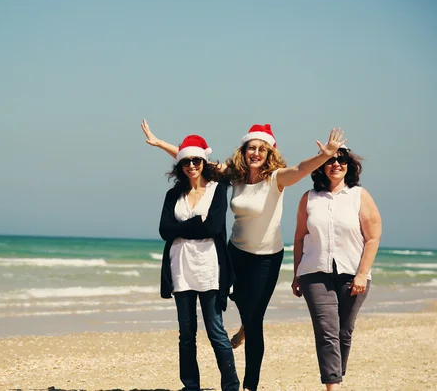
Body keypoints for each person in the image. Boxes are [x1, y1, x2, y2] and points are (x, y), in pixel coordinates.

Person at [142, 119, 346, 391]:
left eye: (262, 149)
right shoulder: (234, 176)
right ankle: (242, 329)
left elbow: (300, 169)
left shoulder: (277, 178)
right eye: (252, 148)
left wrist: (325, 155)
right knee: (241, 307)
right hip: (234, 253)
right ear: (244, 150)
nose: (256, 153)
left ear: (269, 153)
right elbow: (195, 160)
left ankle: (249, 385)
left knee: (254, 319)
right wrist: (160, 144)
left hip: (266, 258)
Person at [291, 146, 381, 390]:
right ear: (321, 166)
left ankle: (336, 375)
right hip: (314, 273)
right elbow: (300, 238)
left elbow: (373, 237)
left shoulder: (359, 196)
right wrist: (296, 274)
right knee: (326, 331)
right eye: (330, 160)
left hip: (353, 273)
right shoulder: (308, 198)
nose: (336, 164)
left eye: (341, 160)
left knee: (344, 331)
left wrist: (362, 273)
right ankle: (333, 385)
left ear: (349, 165)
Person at [157, 134, 240, 391]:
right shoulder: (174, 194)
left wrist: (181, 227)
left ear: (203, 161)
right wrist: (196, 224)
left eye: (196, 160)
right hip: (180, 267)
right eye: (186, 162)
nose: (191, 166)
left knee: (215, 330)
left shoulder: (218, 189)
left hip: (209, 268)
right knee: (186, 334)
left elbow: (214, 227)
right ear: (180, 166)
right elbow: (164, 230)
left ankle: (231, 385)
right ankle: (190, 386)